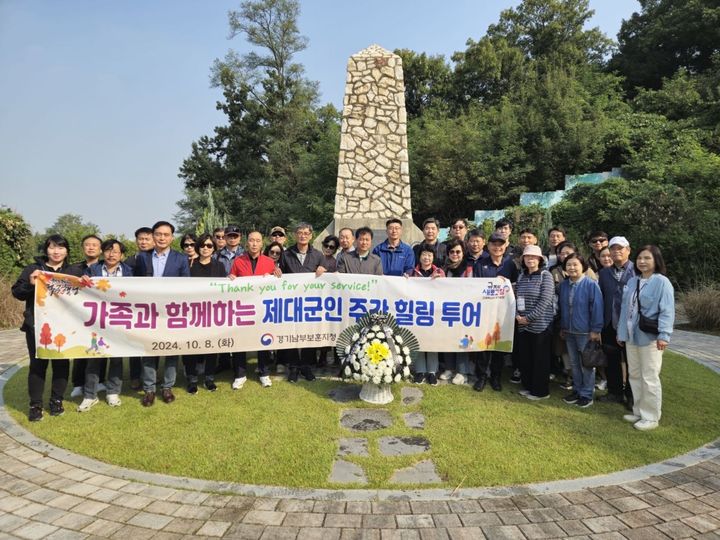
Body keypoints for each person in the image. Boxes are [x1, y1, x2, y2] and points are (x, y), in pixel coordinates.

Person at [12, 235, 78, 421]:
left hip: (65, 327)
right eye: (52, 247)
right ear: (46, 249)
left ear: (67, 251)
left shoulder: (73, 271)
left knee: (61, 363)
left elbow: (87, 294)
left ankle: (56, 401)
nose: (56, 251)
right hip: (37, 327)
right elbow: (17, 292)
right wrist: (31, 284)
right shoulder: (33, 269)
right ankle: (35, 405)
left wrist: (86, 283)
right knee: (38, 365)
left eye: (61, 247)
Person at [617, 245, 675, 431]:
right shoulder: (633, 281)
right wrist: (621, 333)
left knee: (649, 376)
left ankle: (651, 417)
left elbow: (667, 311)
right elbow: (625, 309)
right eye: (640, 258)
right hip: (631, 336)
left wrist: (664, 335)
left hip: (650, 337)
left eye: (647, 258)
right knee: (634, 375)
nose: (642, 261)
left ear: (656, 261)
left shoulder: (662, 282)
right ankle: (638, 411)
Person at [135, 221, 191, 407]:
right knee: (149, 351)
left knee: (171, 350)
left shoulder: (181, 259)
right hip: (149, 312)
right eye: (158, 234)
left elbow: (187, 285)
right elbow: (133, 282)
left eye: (166, 235)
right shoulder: (142, 258)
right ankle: (149, 389)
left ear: (172, 238)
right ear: (153, 236)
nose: (162, 238)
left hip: (172, 312)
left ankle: (167, 387)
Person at [79, 239, 133, 411]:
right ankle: (89, 395)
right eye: (108, 251)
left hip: (118, 320)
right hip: (97, 321)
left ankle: (113, 392)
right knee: (94, 359)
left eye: (115, 251)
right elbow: (81, 291)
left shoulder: (129, 272)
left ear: (121, 255)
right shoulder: (92, 270)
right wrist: (82, 281)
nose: (111, 254)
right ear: (103, 253)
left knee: (117, 358)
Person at [229, 230, 280, 388]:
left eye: (258, 241)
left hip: (262, 309)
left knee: (262, 340)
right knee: (240, 341)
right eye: (251, 240)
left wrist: (277, 274)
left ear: (262, 244)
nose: (254, 243)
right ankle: (240, 374)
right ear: (247, 243)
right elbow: (231, 281)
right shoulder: (238, 261)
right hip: (243, 308)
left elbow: (276, 285)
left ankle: (264, 372)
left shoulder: (269, 262)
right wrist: (230, 279)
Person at [280, 223, 326, 382]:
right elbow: (280, 276)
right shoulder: (286, 254)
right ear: (295, 235)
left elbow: (325, 278)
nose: (303, 236)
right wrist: (277, 272)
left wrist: (323, 270)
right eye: (300, 233)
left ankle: (306, 367)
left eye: (306, 233)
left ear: (311, 235)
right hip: (291, 302)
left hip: (310, 303)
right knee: (292, 333)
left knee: (308, 334)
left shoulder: (319, 255)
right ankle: (293, 367)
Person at [473, 232, 519, 388]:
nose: (497, 247)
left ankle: (496, 377)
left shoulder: (510, 264)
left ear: (505, 245)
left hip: (503, 313)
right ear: (488, 246)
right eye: (494, 244)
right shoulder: (480, 263)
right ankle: (481, 376)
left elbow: (514, 288)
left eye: (500, 244)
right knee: (483, 345)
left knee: (499, 345)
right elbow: (476, 288)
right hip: (485, 311)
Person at [559, 254, 603, 409]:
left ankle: (587, 394)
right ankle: (577, 390)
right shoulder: (564, 285)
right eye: (569, 265)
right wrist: (563, 327)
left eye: (575, 264)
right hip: (569, 331)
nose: (571, 268)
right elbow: (563, 308)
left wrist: (596, 330)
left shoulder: (591, 284)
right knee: (574, 363)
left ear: (583, 266)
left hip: (585, 332)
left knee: (587, 365)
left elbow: (597, 308)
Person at [184, 233, 226, 394]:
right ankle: (192, 379)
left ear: (214, 248)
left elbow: (223, 289)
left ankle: (209, 378)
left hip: (212, 313)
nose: (206, 248)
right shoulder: (189, 265)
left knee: (211, 347)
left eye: (209, 245)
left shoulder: (219, 266)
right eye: (202, 245)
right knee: (191, 348)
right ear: (198, 247)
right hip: (191, 313)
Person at [598, 236, 635, 408]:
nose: (616, 251)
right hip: (609, 324)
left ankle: (632, 395)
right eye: (613, 249)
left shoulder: (637, 270)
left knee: (632, 362)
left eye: (620, 248)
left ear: (628, 250)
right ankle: (615, 393)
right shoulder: (604, 273)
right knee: (612, 360)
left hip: (630, 325)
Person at [514, 245, 555, 400]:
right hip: (523, 326)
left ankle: (540, 392)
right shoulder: (521, 276)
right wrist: (518, 316)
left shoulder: (546, 275)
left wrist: (528, 318)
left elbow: (545, 301)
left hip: (541, 325)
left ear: (539, 259)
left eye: (533, 257)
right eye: (527, 256)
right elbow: (517, 298)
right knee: (527, 358)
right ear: (523, 259)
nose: (530, 259)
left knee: (540, 360)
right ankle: (529, 386)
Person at [68, 234, 105, 399]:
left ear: (100, 249)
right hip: (81, 315)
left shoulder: (105, 267)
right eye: (87, 245)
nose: (91, 247)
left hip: (102, 314)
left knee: (102, 348)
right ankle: (78, 383)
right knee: (81, 349)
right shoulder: (74, 269)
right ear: (83, 248)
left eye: (94, 245)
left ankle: (101, 381)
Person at [406, 243, 444, 385]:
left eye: (429, 255)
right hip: (417, 312)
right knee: (418, 339)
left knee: (432, 341)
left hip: (434, 313)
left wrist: (440, 281)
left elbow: (447, 290)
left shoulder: (440, 272)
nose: (426, 258)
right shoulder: (411, 272)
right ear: (419, 256)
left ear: (433, 257)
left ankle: (432, 372)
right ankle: (420, 371)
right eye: (424, 254)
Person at [440, 239, 473, 384]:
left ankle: (462, 371)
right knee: (448, 338)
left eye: (458, 251)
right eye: (452, 251)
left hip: (465, 310)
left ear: (463, 253)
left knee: (463, 340)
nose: (455, 254)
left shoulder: (469, 268)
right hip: (448, 310)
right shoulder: (444, 269)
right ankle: (449, 368)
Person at [125, 226, 154, 390]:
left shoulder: (158, 258)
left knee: (153, 342)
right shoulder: (131, 260)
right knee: (135, 344)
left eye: (147, 239)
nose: (143, 242)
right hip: (135, 309)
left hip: (156, 308)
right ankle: (135, 376)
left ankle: (153, 374)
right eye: (140, 239)